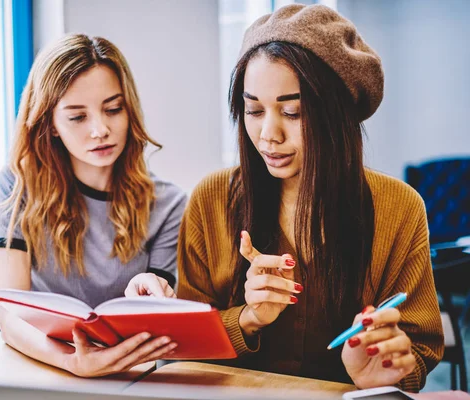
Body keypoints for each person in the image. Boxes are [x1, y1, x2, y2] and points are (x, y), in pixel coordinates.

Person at [177, 4, 443, 392]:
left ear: (338, 116)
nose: (268, 134)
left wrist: (385, 367)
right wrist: (247, 319)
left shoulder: (399, 208)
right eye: (253, 110)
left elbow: (418, 350)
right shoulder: (210, 200)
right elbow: (184, 347)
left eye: (292, 112)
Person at [0, 34, 187, 377]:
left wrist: (153, 293)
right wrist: (72, 362)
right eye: (78, 117)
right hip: (40, 364)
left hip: (126, 371)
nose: (101, 130)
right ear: (50, 123)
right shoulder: (18, 185)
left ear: (130, 109)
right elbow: (10, 313)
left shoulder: (169, 205)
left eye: (113, 109)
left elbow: (153, 320)